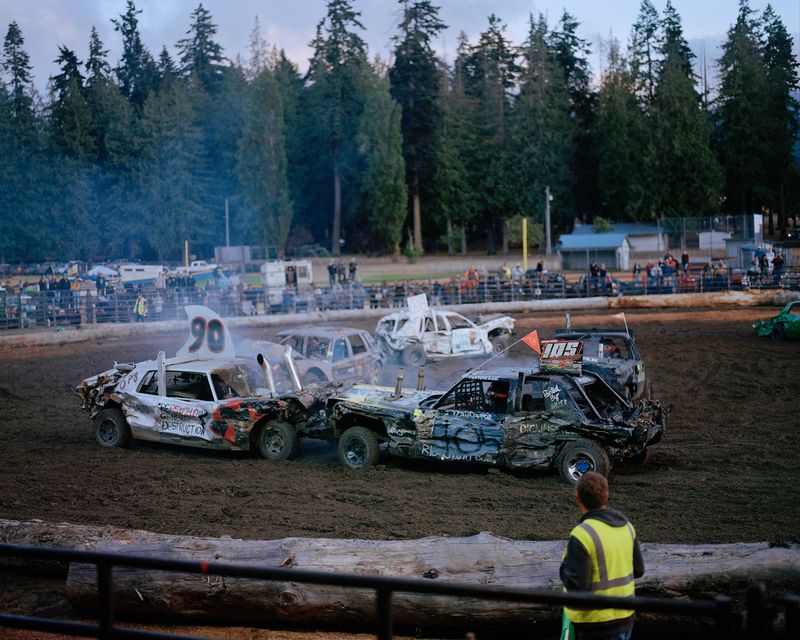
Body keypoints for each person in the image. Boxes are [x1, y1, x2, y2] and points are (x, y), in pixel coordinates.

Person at [560, 472, 644, 640]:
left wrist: (563, 570)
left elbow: (578, 586)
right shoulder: (627, 527)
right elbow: (639, 570)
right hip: (625, 617)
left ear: (577, 498)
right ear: (606, 495)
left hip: (595, 623)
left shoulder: (583, 534)